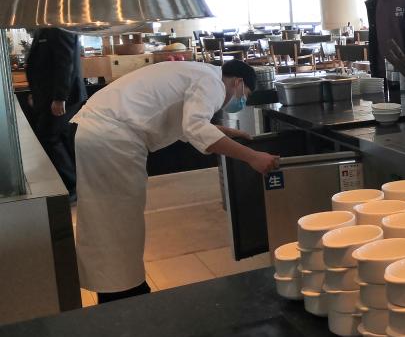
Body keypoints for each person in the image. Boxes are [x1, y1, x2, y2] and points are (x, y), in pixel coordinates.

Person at [72, 60, 279, 304]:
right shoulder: (213, 83)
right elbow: (195, 127)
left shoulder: (200, 73)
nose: (240, 101)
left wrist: (226, 132)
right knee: (118, 220)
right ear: (238, 82)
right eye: (245, 95)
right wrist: (253, 157)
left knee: (108, 218)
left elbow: (185, 120)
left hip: (101, 130)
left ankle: (121, 290)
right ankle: (123, 296)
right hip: (112, 137)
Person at [25, 28, 87, 201]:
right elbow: (42, 65)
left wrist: (60, 98)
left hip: (63, 97)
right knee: (62, 138)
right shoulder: (44, 28)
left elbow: (65, 62)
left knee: (49, 137)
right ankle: (76, 186)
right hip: (48, 95)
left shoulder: (59, 26)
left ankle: (72, 186)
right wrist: (35, 92)